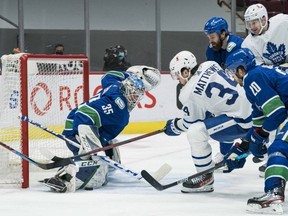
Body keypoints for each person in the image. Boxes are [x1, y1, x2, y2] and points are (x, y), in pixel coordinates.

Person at [40, 65, 161, 192]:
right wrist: (92, 149)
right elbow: (85, 113)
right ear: (126, 88)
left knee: (110, 149)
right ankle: (66, 177)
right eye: (133, 94)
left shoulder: (114, 85)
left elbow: (108, 76)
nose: (135, 98)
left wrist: (129, 75)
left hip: (77, 123)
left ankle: (89, 163)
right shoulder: (119, 110)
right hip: (76, 130)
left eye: (137, 96)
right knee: (96, 180)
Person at [164, 50, 252, 193]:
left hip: (242, 119)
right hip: (253, 107)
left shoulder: (187, 93)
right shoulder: (209, 64)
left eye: (177, 75)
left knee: (196, 132)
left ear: (186, 72)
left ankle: (204, 176)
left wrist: (174, 126)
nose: (178, 80)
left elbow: (190, 123)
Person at [224, 47, 288, 214]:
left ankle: (273, 194)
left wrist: (262, 135)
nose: (232, 76)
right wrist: (244, 144)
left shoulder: (252, 77)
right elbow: (259, 117)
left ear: (240, 69)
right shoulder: (260, 74)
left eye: (232, 71)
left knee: (279, 149)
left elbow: (277, 113)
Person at [203, 17, 244, 162]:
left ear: (222, 33)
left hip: (247, 89)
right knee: (222, 114)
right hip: (231, 89)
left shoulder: (237, 44)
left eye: (212, 37)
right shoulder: (212, 48)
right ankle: (225, 153)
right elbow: (211, 71)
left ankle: (266, 153)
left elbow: (234, 73)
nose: (210, 40)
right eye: (208, 37)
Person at [242, 3, 288, 68]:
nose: (251, 27)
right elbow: (260, 69)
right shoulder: (247, 44)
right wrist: (282, 68)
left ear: (263, 19)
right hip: (274, 75)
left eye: (254, 23)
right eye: (249, 24)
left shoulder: (282, 21)